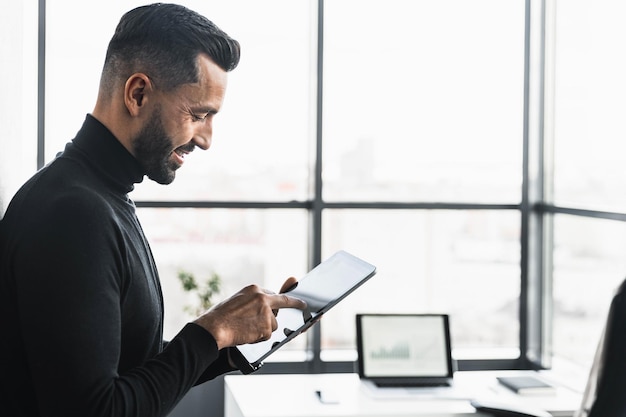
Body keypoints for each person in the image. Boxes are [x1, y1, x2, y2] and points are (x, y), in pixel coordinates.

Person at [0, 3, 306, 417]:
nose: (206, 140)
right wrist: (210, 331)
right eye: (198, 115)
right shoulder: (73, 214)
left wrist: (232, 339)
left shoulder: (99, 196)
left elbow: (131, 366)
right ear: (138, 93)